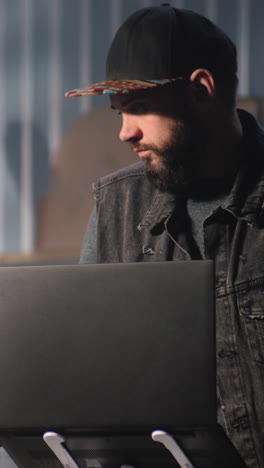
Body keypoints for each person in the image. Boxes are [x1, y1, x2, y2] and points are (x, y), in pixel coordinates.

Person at [66, 4, 264, 467]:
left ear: (201, 90)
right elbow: (90, 379)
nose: (123, 132)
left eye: (137, 108)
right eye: (117, 112)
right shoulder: (115, 210)